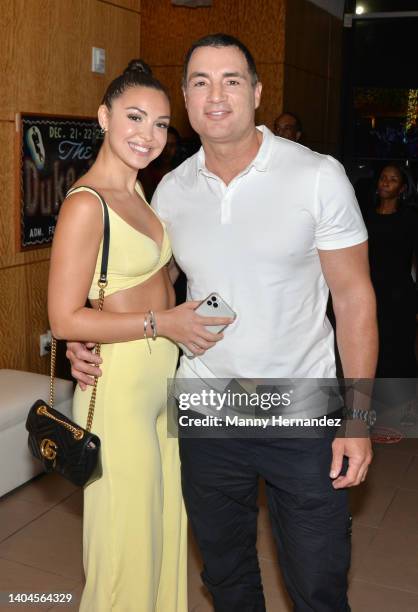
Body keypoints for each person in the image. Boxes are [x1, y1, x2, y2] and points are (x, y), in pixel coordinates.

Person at [67, 34, 377, 612]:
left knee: (318, 581)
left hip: (301, 409)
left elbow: (355, 299)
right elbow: (142, 288)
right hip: (207, 411)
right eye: (201, 82)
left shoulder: (316, 175)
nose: (216, 95)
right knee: (227, 575)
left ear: (257, 92)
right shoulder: (170, 193)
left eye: (231, 80)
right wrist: (82, 334)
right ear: (185, 98)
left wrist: (358, 418)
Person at [48, 59, 232, 612]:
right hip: (120, 389)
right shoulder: (87, 204)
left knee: (163, 534)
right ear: (103, 117)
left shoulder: (141, 195)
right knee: (125, 547)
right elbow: (64, 320)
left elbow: (147, 280)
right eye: (133, 117)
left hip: (160, 384)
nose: (147, 135)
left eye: (159, 124)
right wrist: (162, 323)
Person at [364, 164, 418, 377]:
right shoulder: (365, 217)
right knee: (371, 346)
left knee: (399, 347)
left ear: (403, 188)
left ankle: (405, 403)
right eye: (383, 177)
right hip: (369, 291)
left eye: (393, 179)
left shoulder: (411, 218)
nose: (385, 182)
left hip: (399, 294)